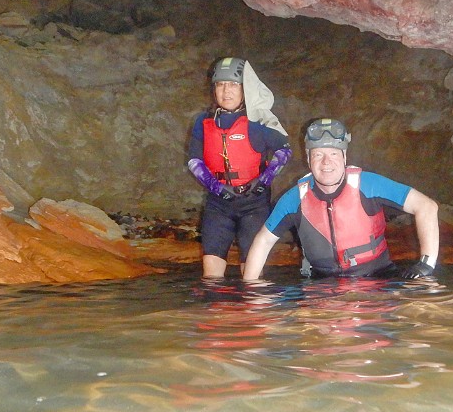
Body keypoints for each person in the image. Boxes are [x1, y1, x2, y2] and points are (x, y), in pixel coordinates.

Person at [243, 118, 439, 280]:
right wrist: (251, 294)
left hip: (378, 279)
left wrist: (426, 265)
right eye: (318, 154)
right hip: (322, 286)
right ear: (308, 159)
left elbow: (426, 206)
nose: (326, 162)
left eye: (333, 154)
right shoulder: (294, 198)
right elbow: (263, 241)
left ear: (344, 157)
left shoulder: (369, 184)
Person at [187, 57, 292, 278]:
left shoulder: (259, 121)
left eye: (233, 84)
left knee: (251, 276)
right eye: (220, 84)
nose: (226, 91)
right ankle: (215, 310)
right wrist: (216, 188)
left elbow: (284, 150)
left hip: (254, 203)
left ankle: (251, 313)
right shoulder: (203, 122)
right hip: (218, 204)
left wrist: (262, 181)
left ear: (245, 89)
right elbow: (194, 161)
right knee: (211, 276)